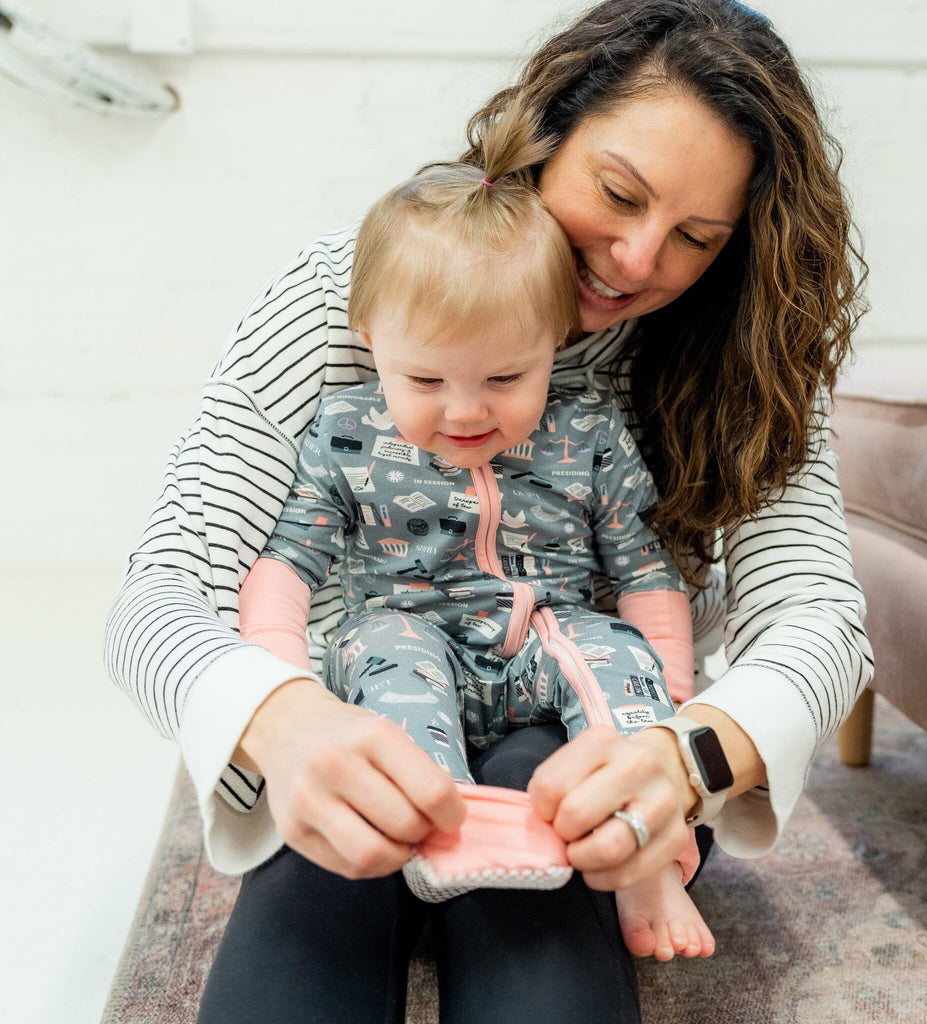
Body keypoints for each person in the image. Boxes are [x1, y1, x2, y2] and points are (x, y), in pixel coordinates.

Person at [103, 1, 873, 1021]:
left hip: (596, 740)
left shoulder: (743, 357)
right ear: (540, 135)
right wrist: (288, 725)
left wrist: (678, 758)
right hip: (373, 716)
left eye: (693, 236)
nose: (638, 259)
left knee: (535, 822)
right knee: (318, 893)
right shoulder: (352, 291)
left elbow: (822, 621)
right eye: (617, 192)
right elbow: (156, 595)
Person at [237, 103, 713, 958]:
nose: (465, 411)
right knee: (389, 653)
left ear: (554, 344)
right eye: (424, 377)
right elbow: (287, 564)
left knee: (611, 654)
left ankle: (646, 853)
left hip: (547, 636)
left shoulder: (586, 433)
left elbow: (644, 571)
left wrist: (672, 713)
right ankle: (443, 821)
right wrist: (288, 696)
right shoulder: (347, 432)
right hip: (412, 637)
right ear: (369, 340)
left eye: (505, 376)